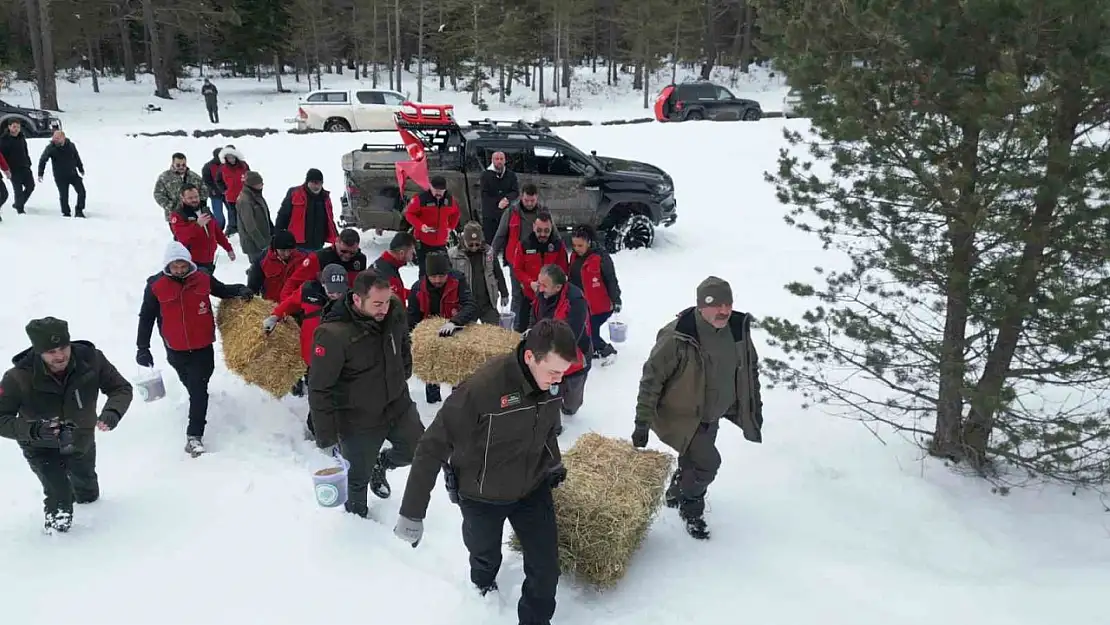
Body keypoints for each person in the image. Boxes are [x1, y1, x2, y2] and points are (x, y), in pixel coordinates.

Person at [393, 318, 576, 625]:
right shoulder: (483, 389)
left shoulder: (549, 380)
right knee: (484, 554)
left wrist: (551, 462)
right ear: (530, 357)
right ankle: (483, 579)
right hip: (481, 495)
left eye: (563, 372)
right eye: (553, 371)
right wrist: (412, 512)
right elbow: (431, 446)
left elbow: (546, 427)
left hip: (531, 488)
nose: (559, 379)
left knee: (546, 569)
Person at [632, 277, 765, 540]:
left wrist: (753, 408)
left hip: (713, 414)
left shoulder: (737, 331)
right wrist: (642, 422)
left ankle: (677, 488)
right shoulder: (677, 336)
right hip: (683, 416)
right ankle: (691, 506)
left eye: (728, 304)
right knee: (708, 464)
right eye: (717, 305)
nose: (724, 311)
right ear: (701, 306)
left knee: (694, 459)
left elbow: (749, 372)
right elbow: (652, 379)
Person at [0, 317, 133, 534]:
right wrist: (32, 429)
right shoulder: (18, 377)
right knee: (59, 495)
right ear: (38, 351)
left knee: (88, 493)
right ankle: (57, 544)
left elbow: (121, 388)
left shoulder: (91, 360)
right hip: (41, 446)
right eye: (51, 352)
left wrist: (112, 412)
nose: (60, 356)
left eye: (63, 348)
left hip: (81, 439)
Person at [308, 271, 426, 515]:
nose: (384, 308)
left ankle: (381, 464)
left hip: (397, 403)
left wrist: (403, 370)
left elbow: (403, 342)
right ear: (357, 300)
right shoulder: (333, 334)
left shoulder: (393, 312)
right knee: (356, 483)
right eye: (377, 304)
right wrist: (326, 437)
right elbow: (320, 388)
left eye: (387, 301)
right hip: (358, 418)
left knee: (418, 449)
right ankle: (358, 527)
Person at [136, 241, 253, 457]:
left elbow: (223, 290)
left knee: (199, 387)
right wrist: (142, 347)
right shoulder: (156, 286)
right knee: (193, 386)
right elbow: (146, 317)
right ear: (167, 266)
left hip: (202, 346)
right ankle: (197, 411)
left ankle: (194, 435)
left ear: (189, 263)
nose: (180, 270)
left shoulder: (202, 278)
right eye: (175, 267)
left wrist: (240, 289)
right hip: (176, 348)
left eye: (183, 266)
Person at [265, 263, 349, 439]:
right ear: (322, 283)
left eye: (339, 291)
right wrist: (275, 316)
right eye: (331, 291)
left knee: (338, 392)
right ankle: (316, 427)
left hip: (338, 356)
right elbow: (289, 303)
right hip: (313, 355)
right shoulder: (308, 290)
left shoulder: (351, 299)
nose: (335, 295)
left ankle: (339, 427)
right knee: (318, 393)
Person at [407, 251, 478, 404]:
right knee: (432, 372)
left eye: (442, 276)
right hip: (431, 339)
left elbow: (471, 305)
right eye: (434, 277)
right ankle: (432, 404)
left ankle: (458, 402)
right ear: (427, 275)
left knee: (459, 373)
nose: (438, 280)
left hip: (455, 334)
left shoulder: (458, 281)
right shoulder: (417, 289)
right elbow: (411, 320)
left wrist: (455, 322)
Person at [530, 264, 592, 423]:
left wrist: (552, 350)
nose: (540, 288)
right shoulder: (541, 293)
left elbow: (573, 334)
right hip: (548, 353)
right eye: (539, 283)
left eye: (544, 285)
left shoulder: (576, 300)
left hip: (573, 355)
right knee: (550, 395)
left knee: (572, 402)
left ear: (558, 287)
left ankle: (569, 407)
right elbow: (534, 316)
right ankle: (553, 426)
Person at [568, 225, 622, 365]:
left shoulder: (601, 258)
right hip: (583, 304)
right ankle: (593, 350)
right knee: (586, 330)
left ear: (589, 242)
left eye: (580, 245)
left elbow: (611, 279)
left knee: (590, 332)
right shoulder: (574, 257)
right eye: (574, 245)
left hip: (600, 306)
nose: (576, 248)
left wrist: (616, 300)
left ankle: (608, 351)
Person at [508, 210, 569, 332]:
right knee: (523, 331)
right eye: (539, 230)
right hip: (530, 296)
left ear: (552, 228)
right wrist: (530, 283)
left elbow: (563, 271)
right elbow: (517, 269)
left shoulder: (557, 245)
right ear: (533, 227)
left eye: (546, 231)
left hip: (551, 300)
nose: (542, 234)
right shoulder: (524, 245)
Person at [492, 183, 545, 314]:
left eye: (532, 201)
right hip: (515, 260)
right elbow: (500, 235)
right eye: (526, 200)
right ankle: (515, 327)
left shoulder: (543, 212)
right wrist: (491, 253)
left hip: (537, 260)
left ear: (537, 198)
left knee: (537, 293)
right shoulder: (511, 212)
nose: (529, 203)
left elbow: (553, 234)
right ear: (522, 197)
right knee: (517, 295)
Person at [280, 228, 368, 301]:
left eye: (352, 253)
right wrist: (285, 308)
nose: (347, 256)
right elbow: (293, 282)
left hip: (347, 306)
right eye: (343, 251)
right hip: (320, 304)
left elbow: (362, 287)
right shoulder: (319, 258)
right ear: (336, 242)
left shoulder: (360, 260)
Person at [448, 221, 509, 325]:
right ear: (464, 240)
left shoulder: (489, 252)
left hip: (487, 302)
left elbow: (497, 273)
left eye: (477, 244)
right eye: (470, 244)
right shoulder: (452, 255)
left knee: (495, 333)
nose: (474, 247)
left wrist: (504, 293)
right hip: (466, 306)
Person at [170, 183, 236, 274]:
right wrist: (197, 225)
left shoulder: (205, 210)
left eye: (196, 197)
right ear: (182, 198)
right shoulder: (178, 215)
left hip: (209, 258)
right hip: (192, 262)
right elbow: (182, 237)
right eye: (190, 198)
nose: (194, 200)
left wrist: (228, 248)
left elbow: (216, 231)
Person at [404, 175, 460, 277]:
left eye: (441, 191)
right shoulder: (421, 199)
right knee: (425, 272)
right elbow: (409, 214)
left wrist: (450, 227)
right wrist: (421, 226)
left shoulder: (450, 200)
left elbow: (456, 213)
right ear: (430, 187)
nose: (438, 193)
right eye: (436, 190)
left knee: (444, 270)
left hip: (441, 242)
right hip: (423, 241)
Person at [274, 168, 338, 252]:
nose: (316, 186)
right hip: (297, 244)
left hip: (318, 245)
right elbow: (283, 215)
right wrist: (278, 235)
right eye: (313, 182)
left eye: (319, 183)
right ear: (307, 182)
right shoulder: (295, 193)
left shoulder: (325, 197)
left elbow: (329, 219)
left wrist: (337, 238)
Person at [36, 130, 86, 218]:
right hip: (60, 176)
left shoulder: (71, 145)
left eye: (57, 138)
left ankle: (79, 210)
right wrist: (40, 173)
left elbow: (76, 157)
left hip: (73, 174)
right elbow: (43, 160)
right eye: (54, 138)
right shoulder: (50, 148)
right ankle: (66, 212)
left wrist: (81, 168)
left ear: (63, 138)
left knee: (82, 192)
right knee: (63, 195)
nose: (55, 140)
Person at [247, 231, 307, 302]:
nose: (287, 254)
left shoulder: (303, 257)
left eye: (290, 250)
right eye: (283, 250)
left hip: (294, 304)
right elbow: (253, 287)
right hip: (271, 305)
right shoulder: (262, 261)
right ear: (275, 249)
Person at [478, 151, 519, 244]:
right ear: (492, 160)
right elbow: (484, 194)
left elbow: (515, 191)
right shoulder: (485, 175)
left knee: (507, 242)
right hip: (490, 215)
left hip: (506, 213)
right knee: (490, 242)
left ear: (505, 160)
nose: (499, 161)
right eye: (497, 159)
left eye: (501, 159)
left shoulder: (511, 175)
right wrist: (498, 203)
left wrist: (506, 199)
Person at [154, 153, 206, 224]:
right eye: (178, 165)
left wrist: (199, 202)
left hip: (194, 214)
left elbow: (204, 189)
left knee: (195, 233)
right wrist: (171, 205)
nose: (181, 167)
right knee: (179, 234)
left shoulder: (194, 176)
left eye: (183, 165)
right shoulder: (164, 177)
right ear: (173, 163)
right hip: (175, 215)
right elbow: (158, 194)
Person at [236, 171, 273, 258]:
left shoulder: (256, 195)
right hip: (254, 245)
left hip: (264, 241)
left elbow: (265, 214)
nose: (262, 184)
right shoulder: (245, 200)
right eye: (259, 183)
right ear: (252, 184)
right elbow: (250, 226)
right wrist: (262, 243)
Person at [0, 120, 34, 213]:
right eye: (14, 127)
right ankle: (20, 209)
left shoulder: (21, 137)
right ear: (9, 127)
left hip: (25, 166)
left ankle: (18, 203)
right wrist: (6, 169)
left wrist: (28, 162)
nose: (16, 129)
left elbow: (25, 150)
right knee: (18, 189)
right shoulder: (3, 140)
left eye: (18, 127)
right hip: (13, 169)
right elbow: (1, 156)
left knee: (30, 186)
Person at [372, 231, 416, 300]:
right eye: (412, 251)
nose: (413, 255)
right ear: (402, 253)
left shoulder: (381, 264)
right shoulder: (388, 276)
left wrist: (415, 294)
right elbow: (397, 303)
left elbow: (398, 291)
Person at [215, 145, 248, 237]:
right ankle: (232, 231)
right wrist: (225, 190)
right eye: (229, 157)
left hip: (244, 195)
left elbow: (249, 176)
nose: (231, 159)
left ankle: (245, 230)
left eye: (232, 157)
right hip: (231, 197)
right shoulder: (222, 168)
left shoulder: (244, 165)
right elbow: (218, 180)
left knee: (245, 214)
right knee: (233, 214)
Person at [201, 147, 227, 230]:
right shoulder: (207, 167)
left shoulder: (227, 164)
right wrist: (212, 190)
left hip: (227, 193)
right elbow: (206, 181)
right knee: (218, 215)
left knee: (232, 212)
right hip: (215, 195)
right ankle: (219, 229)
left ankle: (232, 229)